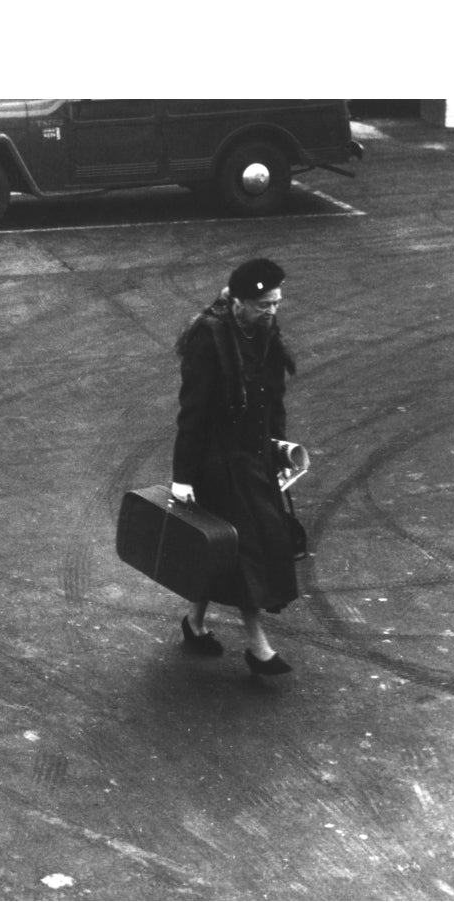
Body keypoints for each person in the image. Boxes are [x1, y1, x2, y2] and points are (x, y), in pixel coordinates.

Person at [171, 257, 300, 675]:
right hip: (220, 462)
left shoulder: (262, 328)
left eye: (277, 303)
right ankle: (259, 648)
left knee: (220, 549)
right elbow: (192, 412)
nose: (273, 311)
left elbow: (272, 397)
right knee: (246, 552)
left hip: (256, 456)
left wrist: (279, 448)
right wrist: (182, 477)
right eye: (265, 304)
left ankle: (194, 621)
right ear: (239, 302)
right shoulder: (209, 338)